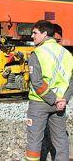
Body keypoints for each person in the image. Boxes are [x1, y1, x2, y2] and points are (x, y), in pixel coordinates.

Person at [24, 20, 73, 161]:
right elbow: (71, 81)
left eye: (35, 33)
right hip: (60, 105)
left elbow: (37, 82)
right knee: (61, 140)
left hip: (40, 103)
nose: (32, 36)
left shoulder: (37, 53)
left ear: (45, 34)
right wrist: (63, 100)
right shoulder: (67, 54)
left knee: (34, 141)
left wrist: (54, 99)